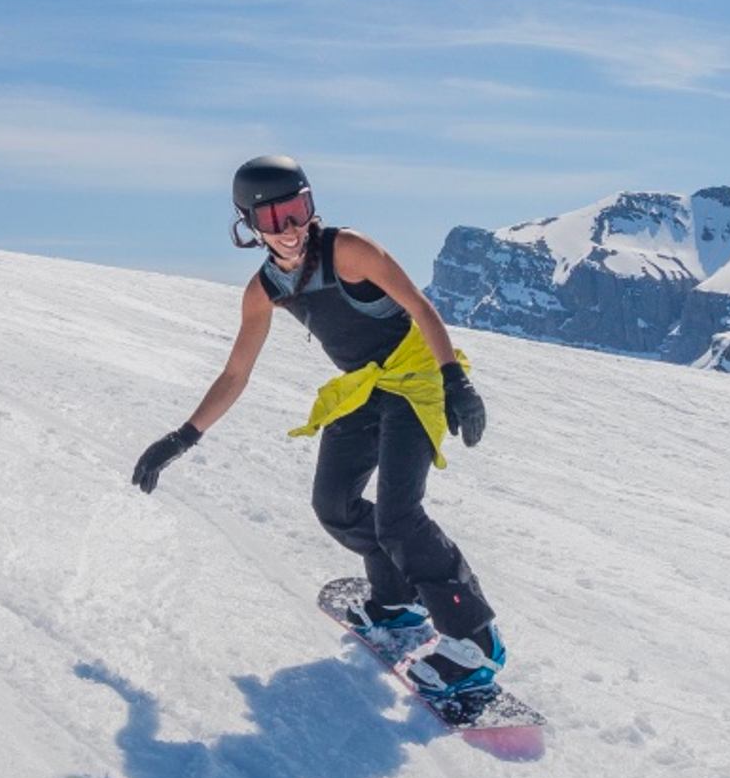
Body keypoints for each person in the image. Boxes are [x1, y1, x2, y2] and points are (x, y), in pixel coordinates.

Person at [131, 155, 504, 697]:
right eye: (272, 217)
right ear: (249, 226)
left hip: (417, 377)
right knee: (334, 505)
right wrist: (180, 438)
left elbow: (421, 309)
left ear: (311, 205)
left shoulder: (350, 251)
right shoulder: (264, 291)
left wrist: (455, 381)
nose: (289, 228)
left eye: (297, 209)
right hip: (362, 386)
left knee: (400, 517)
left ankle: (475, 640)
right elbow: (236, 373)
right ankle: (396, 597)